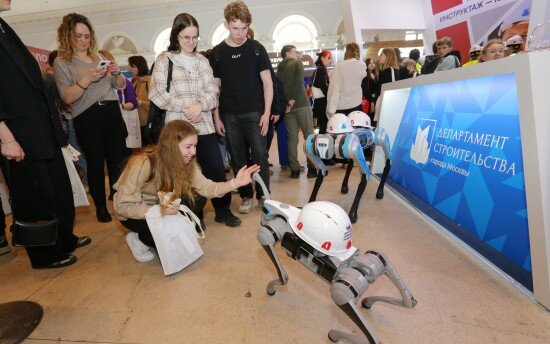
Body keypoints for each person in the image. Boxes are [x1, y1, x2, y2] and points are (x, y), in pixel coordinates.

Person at [1, 1, 90, 268]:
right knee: (34, 196)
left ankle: (63, 239)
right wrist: (5, 137)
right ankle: (43, 255)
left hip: (41, 128)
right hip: (17, 132)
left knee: (59, 191)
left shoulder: (4, 26)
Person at [113, 120, 260, 262]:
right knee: (169, 241)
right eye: (188, 147)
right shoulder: (143, 162)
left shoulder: (188, 161)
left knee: (198, 198)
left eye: (195, 146)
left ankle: (157, 232)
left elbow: (206, 187)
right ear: (171, 145)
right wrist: (160, 211)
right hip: (134, 214)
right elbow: (123, 206)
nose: (193, 152)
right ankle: (139, 239)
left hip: (164, 205)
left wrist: (235, 183)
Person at [150, 13, 241, 228]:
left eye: (195, 37)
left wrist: (199, 105)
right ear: (176, 36)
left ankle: (222, 209)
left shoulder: (202, 61)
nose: (191, 42)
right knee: (182, 174)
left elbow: (212, 90)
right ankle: (193, 213)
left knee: (215, 168)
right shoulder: (164, 59)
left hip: (203, 125)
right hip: (177, 127)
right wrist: (186, 109)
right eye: (186, 37)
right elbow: (157, 93)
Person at [54, 13, 131, 223]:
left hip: (112, 112)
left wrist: (116, 73)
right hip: (87, 117)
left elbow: (122, 87)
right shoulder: (62, 62)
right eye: (78, 35)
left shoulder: (100, 57)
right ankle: (100, 207)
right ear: (67, 36)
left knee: (118, 161)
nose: (82, 40)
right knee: (96, 164)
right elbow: (67, 97)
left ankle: (118, 200)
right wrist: (87, 78)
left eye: (87, 36)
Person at [209, 0, 274, 213]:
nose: (240, 33)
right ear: (226, 25)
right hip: (229, 114)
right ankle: (246, 196)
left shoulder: (256, 48)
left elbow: (268, 83)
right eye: (236, 28)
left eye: (244, 28)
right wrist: (217, 117)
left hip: (255, 112)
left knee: (260, 155)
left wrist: (266, 112)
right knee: (237, 157)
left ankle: (264, 195)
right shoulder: (217, 53)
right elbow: (215, 90)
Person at [276, 45, 315, 179]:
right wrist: (291, 99)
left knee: (292, 138)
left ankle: (294, 169)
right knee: (309, 136)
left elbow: (278, 88)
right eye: (294, 51)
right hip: (301, 104)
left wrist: (286, 102)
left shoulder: (279, 69)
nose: (297, 53)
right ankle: (312, 167)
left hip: (288, 109)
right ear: (287, 53)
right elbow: (299, 82)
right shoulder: (297, 63)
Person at [326, 43, 367, 116]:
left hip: (341, 106)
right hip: (356, 105)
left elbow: (332, 87)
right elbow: (363, 76)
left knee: (341, 127)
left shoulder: (339, 66)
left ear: (346, 52)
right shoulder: (362, 65)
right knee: (356, 127)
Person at [128, 55, 151, 142]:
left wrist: (139, 102)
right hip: (136, 124)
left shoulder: (149, 82)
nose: (129, 69)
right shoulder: (134, 82)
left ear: (140, 67)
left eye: (132, 66)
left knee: (149, 150)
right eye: (130, 66)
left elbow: (155, 105)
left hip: (148, 123)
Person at [312, 50, 332, 134]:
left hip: (321, 102)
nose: (331, 60)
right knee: (324, 127)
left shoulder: (320, 69)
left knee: (323, 127)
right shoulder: (320, 70)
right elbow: (324, 87)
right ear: (322, 58)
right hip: (322, 103)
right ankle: (323, 144)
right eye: (329, 58)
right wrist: (331, 98)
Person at [361, 57, 378, 124]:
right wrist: (372, 101)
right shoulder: (365, 75)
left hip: (373, 100)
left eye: (373, 63)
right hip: (369, 100)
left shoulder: (374, 75)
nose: (372, 65)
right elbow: (365, 90)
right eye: (370, 63)